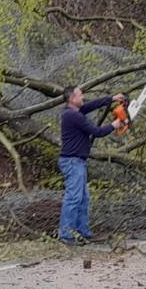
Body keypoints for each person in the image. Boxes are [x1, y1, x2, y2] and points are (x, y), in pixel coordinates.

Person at [58, 86, 125, 245]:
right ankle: (65, 234)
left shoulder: (76, 112)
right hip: (72, 161)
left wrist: (112, 98)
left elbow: (93, 105)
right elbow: (96, 131)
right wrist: (114, 125)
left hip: (78, 161)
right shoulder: (72, 116)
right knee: (74, 198)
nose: (83, 97)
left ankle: (83, 232)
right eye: (80, 95)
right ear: (72, 99)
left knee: (83, 198)